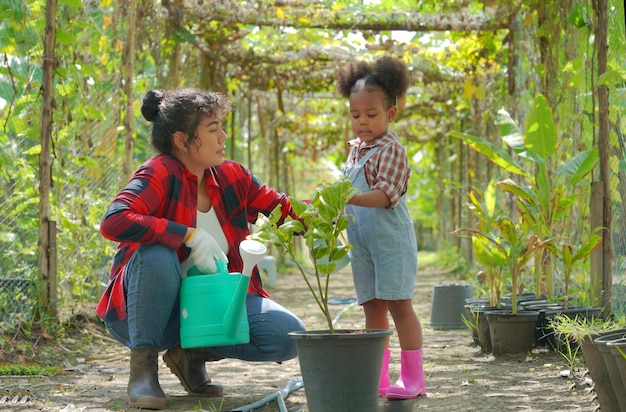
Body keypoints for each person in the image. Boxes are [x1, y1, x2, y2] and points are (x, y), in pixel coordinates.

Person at [96, 88, 306, 410]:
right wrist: (185, 234)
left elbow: (282, 210)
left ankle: (190, 354)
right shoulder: (160, 172)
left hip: (206, 307)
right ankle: (143, 370)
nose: (224, 136)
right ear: (182, 140)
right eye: (213, 129)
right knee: (157, 254)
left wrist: (330, 208)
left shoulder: (233, 176)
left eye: (222, 126)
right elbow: (114, 221)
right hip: (145, 314)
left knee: (286, 334)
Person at [337, 55, 426, 399]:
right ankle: (379, 375)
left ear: (390, 113)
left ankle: (413, 378)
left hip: (390, 240)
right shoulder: (355, 151)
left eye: (371, 115)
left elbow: (385, 194)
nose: (362, 122)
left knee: (399, 304)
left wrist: (348, 198)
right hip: (362, 240)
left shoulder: (392, 150)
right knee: (372, 305)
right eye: (355, 115)